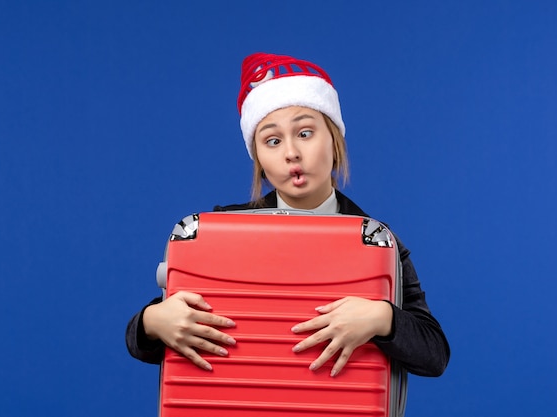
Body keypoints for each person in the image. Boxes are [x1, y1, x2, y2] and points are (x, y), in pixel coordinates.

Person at [126, 52, 450, 378]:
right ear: (260, 160)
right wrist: (153, 322)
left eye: (305, 133)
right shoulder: (218, 233)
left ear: (334, 140)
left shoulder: (377, 242)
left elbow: (434, 355)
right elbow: (146, 341)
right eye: (272, 140)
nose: (291, 152)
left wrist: (383, 318)